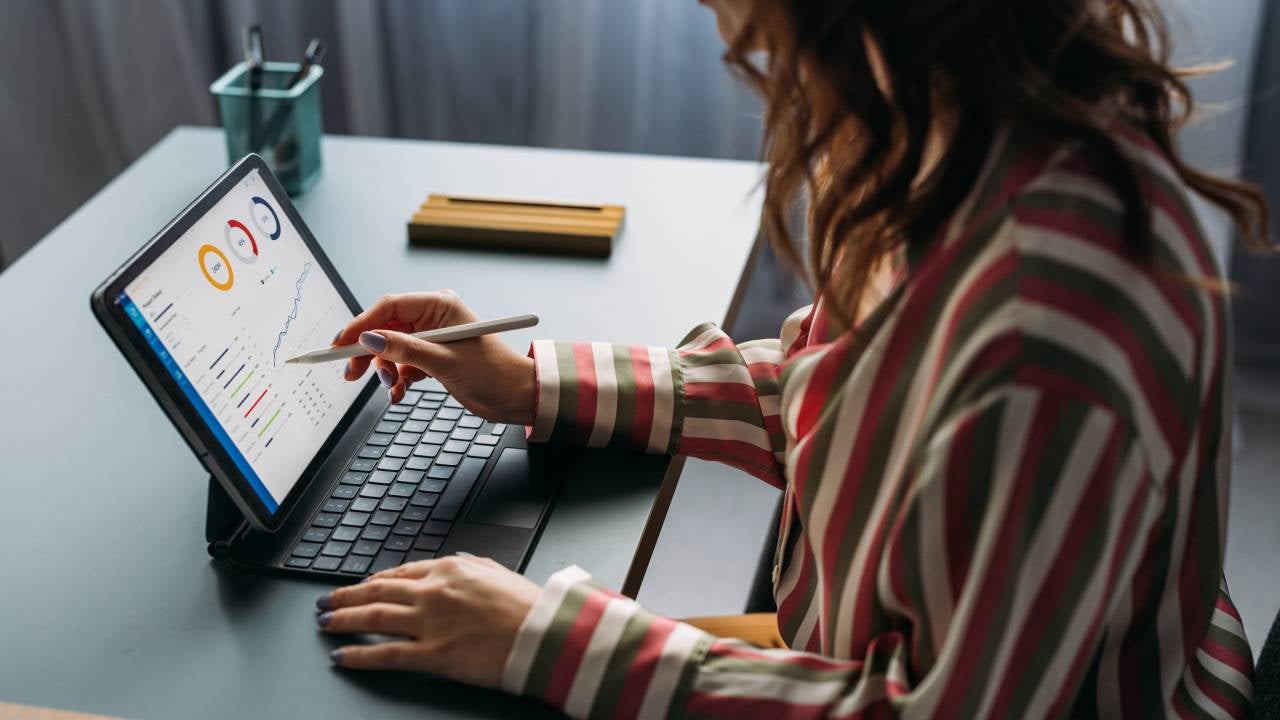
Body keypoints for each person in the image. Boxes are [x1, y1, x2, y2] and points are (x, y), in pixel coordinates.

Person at [312, 0, 1270, 717]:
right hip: (854, 653)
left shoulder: (1043, 329)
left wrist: (547, 641)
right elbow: (823, 390)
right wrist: (530, 381)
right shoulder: (949, 129)